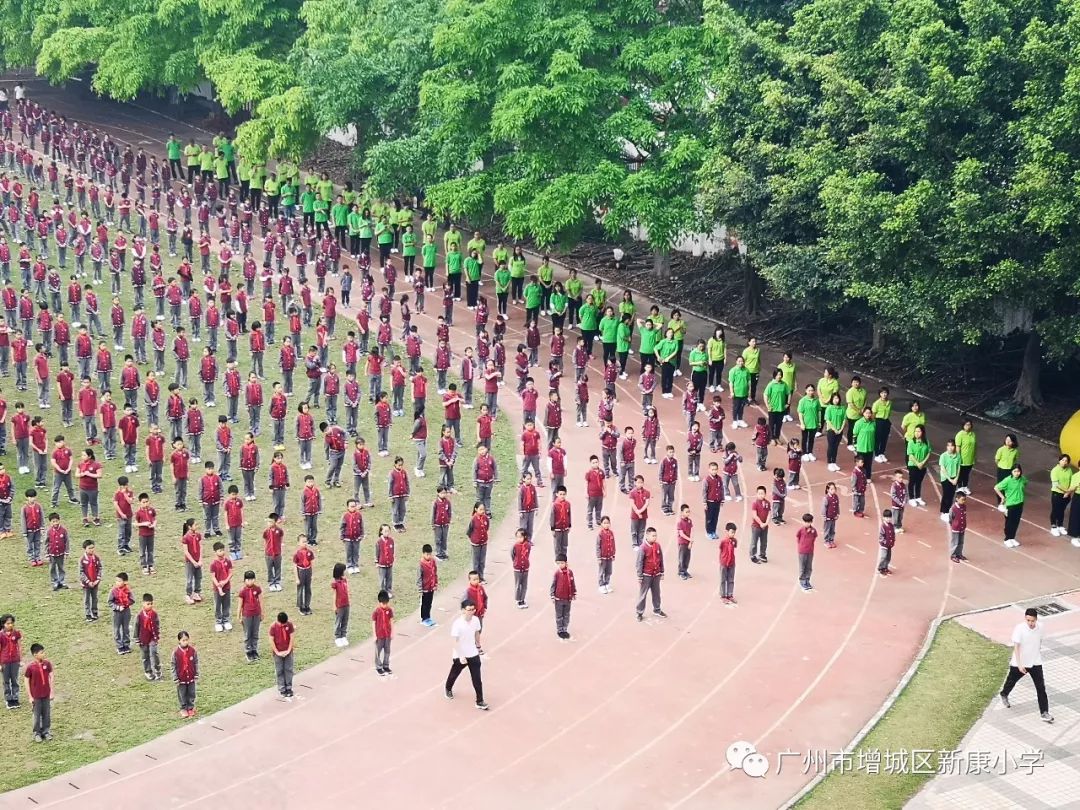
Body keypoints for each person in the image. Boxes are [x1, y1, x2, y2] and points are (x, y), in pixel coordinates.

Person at [999, 608, 1054, 723]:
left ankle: (1044, 712)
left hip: (1035, 662)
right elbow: (1016, 647)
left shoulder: (1041, 627)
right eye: (1028, 620)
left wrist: (1037, 651)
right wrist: (1019, 665)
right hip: (1020, 662)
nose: (1030, 623)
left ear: (1036, 619)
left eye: (1033, 621)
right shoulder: (1019, 629)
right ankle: (1004, 693)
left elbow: (1040, 640)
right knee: (1011, 681)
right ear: (1025, 618)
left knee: (1041, 688)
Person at [445, 598, 488, 710]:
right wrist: (461, 655)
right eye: (469, 610)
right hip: (460, 654)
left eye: (473, 609)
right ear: (463, 610)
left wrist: (478, 646)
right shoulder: (457, 624)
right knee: (455, 673)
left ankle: (480, 700)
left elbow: (477, 633)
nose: (472, 612)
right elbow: (455, 641)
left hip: (472, 653)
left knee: (477, 678)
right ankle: (448, 688)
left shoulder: (475, 620)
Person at [635, 527, 666, 622]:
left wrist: (662, 571)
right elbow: (639, 562)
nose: (655, 537)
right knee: (643, 594)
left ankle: (657, 609)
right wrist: (640, 576)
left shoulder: (657, 546)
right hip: (646, 575)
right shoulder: (643, 548)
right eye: (653, 535)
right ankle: (639, 612)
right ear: (647, 536)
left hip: (656, 574)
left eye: (656, 535)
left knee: (657, 593)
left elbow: (661, 559)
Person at [25, 643, 54, 742]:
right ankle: (37, 733)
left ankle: (46, 731)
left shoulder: (47, 664)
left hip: (46, 694)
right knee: (37, 716)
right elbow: (26, 681)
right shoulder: (30, 667)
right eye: (41, 653)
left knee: (47, 714)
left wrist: (51, 691)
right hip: (36, 696)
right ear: (35, 655)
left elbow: (51, 677)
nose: (44, 654)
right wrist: (30, 696)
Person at [995, 465, 1028, 548]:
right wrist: (1002, 497)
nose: (1017, 473)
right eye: (1015, 471)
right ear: (1012, 472)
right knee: (1009, 522)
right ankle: (1007, 539)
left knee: (1016, 522)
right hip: (1010, 504)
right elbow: (996, 487)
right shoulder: (1008, 480)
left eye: (1018, 471)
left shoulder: (1022, 479)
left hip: (1020, 503)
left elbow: (1025, 483)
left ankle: (1012, 538)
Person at [172, 630, 199, 718]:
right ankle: (183, 708)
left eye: (187, 640)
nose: (185, 642)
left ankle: (190, 707)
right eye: (183, 640)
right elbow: (173, 665)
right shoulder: (176, 652)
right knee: (182, 693)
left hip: (191, 676)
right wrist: (175, 677)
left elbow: (196, 662)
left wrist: (196, 673)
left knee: (191, 692)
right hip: (181, 678)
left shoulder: (192, 651)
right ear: (179, 640)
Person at [269, 611, 295, 698]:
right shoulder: (273, 627)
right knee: (279, 670)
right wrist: (277, 652)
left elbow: (292, 637)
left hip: (288, 651)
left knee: (288, 669)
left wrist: (289, 650)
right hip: (278, 652)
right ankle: (282, 688)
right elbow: (271, 640)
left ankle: (289, 687)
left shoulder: (289, 624)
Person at [372, 589, 394, 675]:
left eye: (386, 603)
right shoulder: (376, 611)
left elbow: (391, 621)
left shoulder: (389, 610)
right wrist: (374, 635)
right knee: (378, 651)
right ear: (379, 602)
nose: (385, 605)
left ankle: (386, 665)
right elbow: (373, 623)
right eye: (383, 603)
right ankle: (378, 667)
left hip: (387, 634)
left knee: (387, 651)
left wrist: (392, 633)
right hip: (379, 635)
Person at [796, 513, 817, 591]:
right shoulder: (801, 530)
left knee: (809, 567)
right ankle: (802, 581)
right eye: (805, 522)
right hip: (802, 551)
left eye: (809, 522)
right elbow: (798, 537)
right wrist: (801, 545)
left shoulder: (813, 531)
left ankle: (807, 580)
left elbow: (814, 537)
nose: (807, 523)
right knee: (802, 567)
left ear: (811, 522)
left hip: (810, 551)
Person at [719, 522, 738, 605]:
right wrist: (723, 560)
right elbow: (721, 549)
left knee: (731, 579)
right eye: (731, 532)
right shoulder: (723, 542)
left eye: (734, 532)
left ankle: (730, 594)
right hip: (724, 563)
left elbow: (735, 546)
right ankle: (723, 595)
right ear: (727, 532)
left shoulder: (734, 541)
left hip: (732, 563)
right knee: (723, 579)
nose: (733, 534)